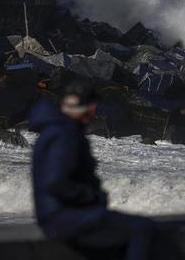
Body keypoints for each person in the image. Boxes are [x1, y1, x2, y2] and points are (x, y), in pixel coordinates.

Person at [29, 78, 153, 260]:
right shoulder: (64, 134)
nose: (95, 112)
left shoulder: (59, 130)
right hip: (62, 218)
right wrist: (91, 196)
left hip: (58, 215)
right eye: (93, 106)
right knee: (141, 228)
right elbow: (56, 183)